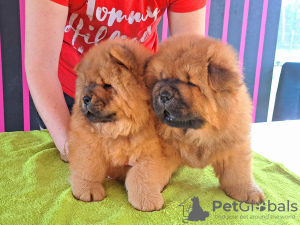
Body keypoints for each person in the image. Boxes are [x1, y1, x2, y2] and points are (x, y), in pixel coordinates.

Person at [25, 0, 207, 161]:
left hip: (139, 98)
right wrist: (72, 147)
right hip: (70, 97)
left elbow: (190, 64)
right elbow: (41, 67)